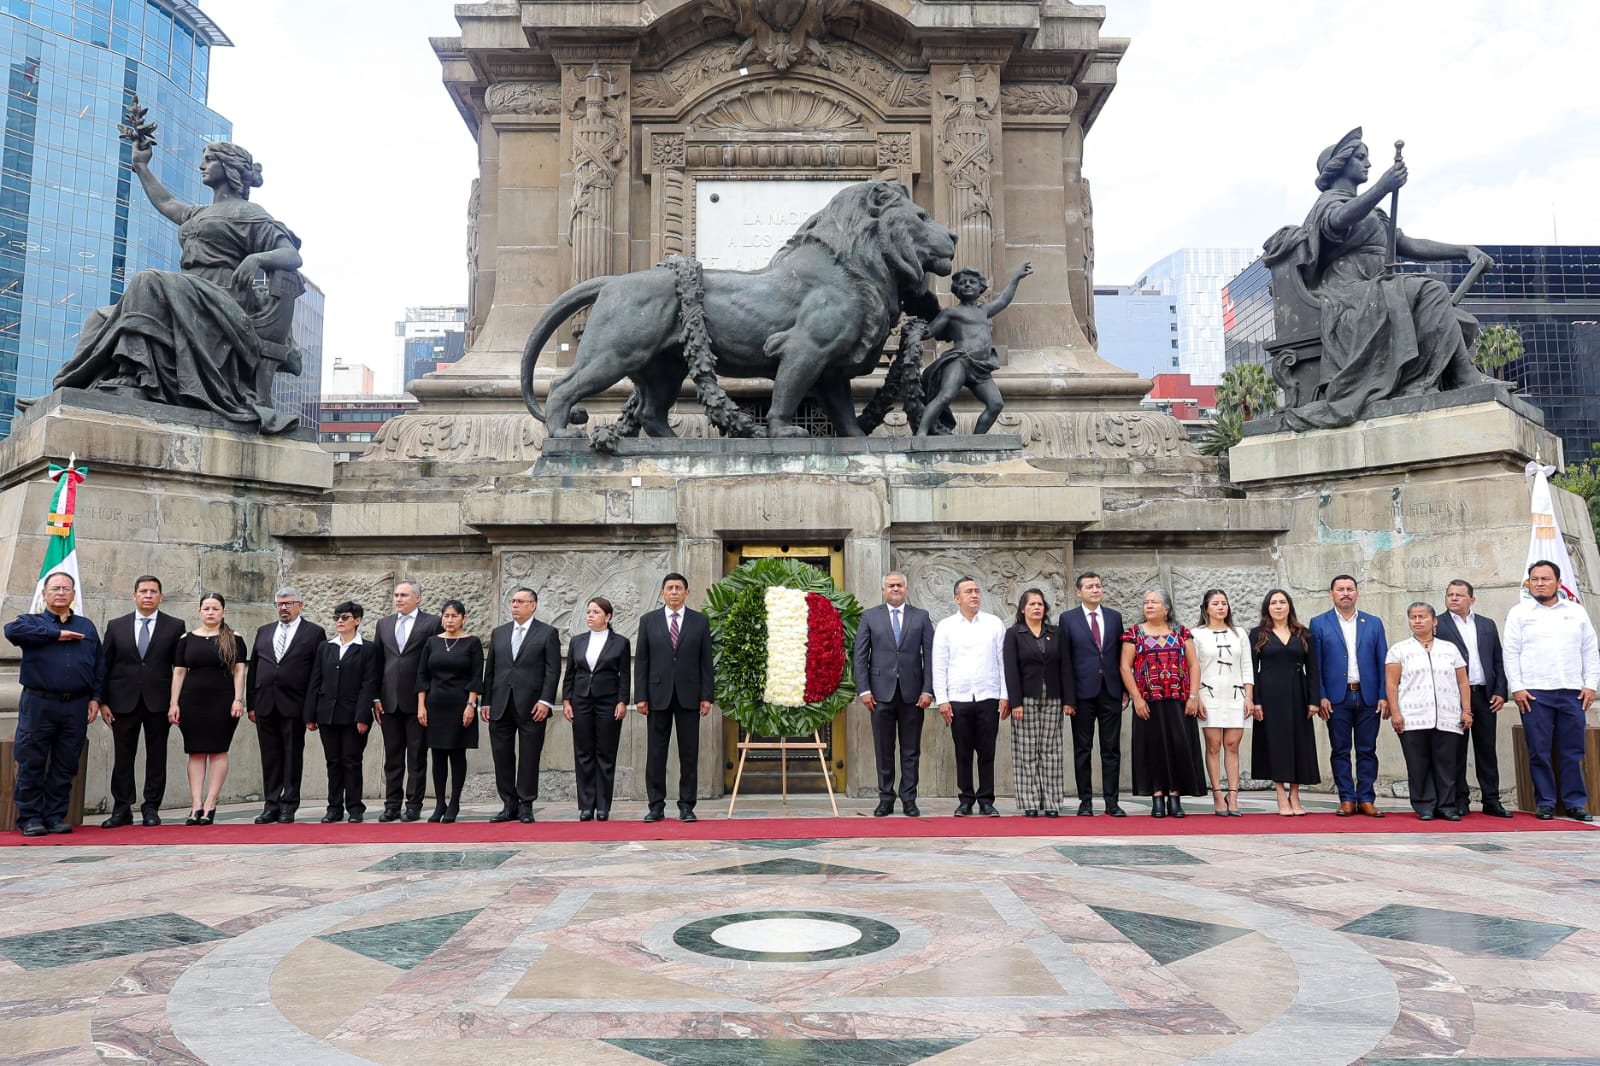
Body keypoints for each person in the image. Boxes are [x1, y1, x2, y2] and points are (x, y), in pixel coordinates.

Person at [52, 140, 306, 433]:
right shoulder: (197, 213)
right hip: (186, 292)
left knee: (147, 281)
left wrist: (257, 257)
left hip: (223, 297)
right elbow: (166, 203)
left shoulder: (250, 214)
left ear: (230, 168)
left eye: (210, 159)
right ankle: (73, 386)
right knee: (100, 316)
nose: (202, 165)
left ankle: (134, 376)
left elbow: (291, 255)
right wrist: (142, 166)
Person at [1267, 127, 1493, 430]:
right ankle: (1463, 378)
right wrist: (1383, 187)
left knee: (1451, 313)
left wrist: (1463, 250)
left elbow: (1407, 244)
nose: (1368, 164)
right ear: (1340, 165)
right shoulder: (1329, 203)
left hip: (1376, 285)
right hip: (1347, 289)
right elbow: (1338, 220)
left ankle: (1442, 377)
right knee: (1430, 290)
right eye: (1360, 158)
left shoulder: (1373, 212)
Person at [5, 573, 101, 837]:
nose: (60, 592)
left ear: (73, 594)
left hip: (76, 705)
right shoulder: (30, 623)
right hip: (39, 703)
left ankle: (55, 815)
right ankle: (30, 817)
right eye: (55, 588)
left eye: (66, 588)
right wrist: (55, 633)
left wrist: (96, 697)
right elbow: (10, 631)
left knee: (66, 763)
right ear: (44, 593)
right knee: (31, 760)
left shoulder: (87, 626)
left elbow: (98, 665)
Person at [1504, 560, 1599, 822]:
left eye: (1545, 579)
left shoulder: (1576, 612)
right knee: (1539, 750)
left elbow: (1590, 649)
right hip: (1534, 693)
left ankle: (1574, 802)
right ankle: (1545, 801)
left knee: (1573, 750)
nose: (1539, 583)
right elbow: (1510, 652)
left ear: (1558, 583)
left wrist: (1591, 684)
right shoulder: (1519, 613)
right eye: (1534, 579)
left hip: (1572, 692)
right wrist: (1518, 688)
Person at [97, 575, 183, 828]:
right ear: (134, 595)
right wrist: (101, 702)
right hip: (122, 702)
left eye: (153, 591)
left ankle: (151, 808)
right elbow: (104, 665)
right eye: (143, 591)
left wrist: (176, 702)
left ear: (161, 596)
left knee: (157, 756)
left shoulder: (175, 626)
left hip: (159, 702)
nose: (148, 595)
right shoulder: (116, 626)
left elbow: (179, 667)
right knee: (123, 757)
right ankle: (121, 808)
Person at [852, 571, 934, 817]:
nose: (895, 589)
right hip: (879, 695)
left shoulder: (921, 617)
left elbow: (930, 656)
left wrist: (928, 690)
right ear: (883, 590)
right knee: (884, 748)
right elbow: (860, 656)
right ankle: (885, 798)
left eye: (899, 585)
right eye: (890, 586)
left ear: (906, 590)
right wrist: (864, 690)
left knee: (911, 750)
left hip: (913, 695)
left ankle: (909, 799)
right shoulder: (870, 616)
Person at [916, 261, 1032, 435]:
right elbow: (930, 331)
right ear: (956, 289)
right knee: (946, 395)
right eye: (962, 283)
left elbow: (1003, 300)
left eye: (972, 282)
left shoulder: (984, 310)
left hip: (982, 367)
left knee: (995, 404)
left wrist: (1016, 277)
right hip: (960, 361)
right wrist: (915, 331)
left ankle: (977, 439)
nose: (967, 285)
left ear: (981, 288)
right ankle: (921, 434)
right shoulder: (951, 312)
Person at [635, 573, 714, 823]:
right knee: (656, 753)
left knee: (689, 753)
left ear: (687, 593)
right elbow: (642, 661)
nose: (674, 592)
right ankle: (656, 805)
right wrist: (641, 696)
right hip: (657, 696)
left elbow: (705, 662)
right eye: (669, 588)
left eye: (679, 588)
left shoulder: (700, 622)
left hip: (689, 696)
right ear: (662, 593)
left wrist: (706, 696)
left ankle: (686, 806)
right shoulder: (648, 621)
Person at [1120, 588, 1206, 818]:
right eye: (1146, 602)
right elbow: (1124, 667)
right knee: (1152, 748)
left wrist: (1194, 697)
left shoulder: (1181, 633)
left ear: (1166, 609)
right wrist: (1136, 698)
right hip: (1148, 702)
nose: (1149, 606)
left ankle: (1175, 797)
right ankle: (1157, 796)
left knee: (1179, 746)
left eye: (1154, 602)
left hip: (1178, 700)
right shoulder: (1133, 634)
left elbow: (1194, 665)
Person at [1310, 574, 1389, 817]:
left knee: (1367, 749)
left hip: (1367, 697)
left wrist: (1383, 695)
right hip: (1337, 697)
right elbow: (1316, 665)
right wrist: (1321, 695)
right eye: (1340, 589)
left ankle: (1366, 798)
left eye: (1350, 589)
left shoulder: (1373, 623)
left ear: (1357, 593)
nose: (1345, 593)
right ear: (1331, 594)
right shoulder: (1319, 623)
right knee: (1340, 750)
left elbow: (1383, 661)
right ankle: (1346, 798)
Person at [1384, 602, 1472, 821]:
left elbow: (1463, 682)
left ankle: (1447, 805)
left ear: (1434, 621)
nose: (1417, 621)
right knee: (1418, 763)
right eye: (1413, 617)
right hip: (1413, 717)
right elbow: (1392, 684)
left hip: (1447, 715)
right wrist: (1396, 712)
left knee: (1447, 763)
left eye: (1422, 617)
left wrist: (1466, 710)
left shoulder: (1449, 648)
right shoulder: (1399, 649)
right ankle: (1424, 805)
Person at [167, 593, 249, 826]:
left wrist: (238, 699)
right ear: (199, 611)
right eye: (206, 608)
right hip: (191, 701)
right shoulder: (186, 639)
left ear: (224, 611)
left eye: (215, 608)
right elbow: (179, 672)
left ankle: (211, 804)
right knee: (196, 752)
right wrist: (174, 703)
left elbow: (240, 670)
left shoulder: (234, 638)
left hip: (223, 701)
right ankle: (195, 805)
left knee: (218, 751)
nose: (210, 612)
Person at [246, 586, 325, 824]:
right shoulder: (264, 631)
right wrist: (252, 704)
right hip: (265, 703)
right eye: (279, 604)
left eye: (289, 603)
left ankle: (289, 805)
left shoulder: (314, 632)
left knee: (291, 755)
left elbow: (316, 675)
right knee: (270, 756)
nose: (283, 608)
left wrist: (311, 709)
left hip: (295, 704)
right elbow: (255, 669)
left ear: (300, 605)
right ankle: (271, 805)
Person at [481, 587, 561, 824]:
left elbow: (552, 670)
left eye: (520, 601)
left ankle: (526, 804)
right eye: (513, 601)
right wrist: (486, 701)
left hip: (532, 705)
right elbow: (491, 670)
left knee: (529, 756)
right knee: (502, 755)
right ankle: (509, 804)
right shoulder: (499, 633)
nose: (514, 605)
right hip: (500, 703)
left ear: (532, 605)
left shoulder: (547, 633)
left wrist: (546, 700)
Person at [931, 576, 1007, 817]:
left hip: (989, 696)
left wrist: (1004, 695)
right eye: (968, 592)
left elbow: (1003, 662)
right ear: (957, 598)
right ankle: (965, 799)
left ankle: (986, 800)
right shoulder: (946, 626)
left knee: (987, 752)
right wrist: (942, 699)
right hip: (958, 699)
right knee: (962, 752)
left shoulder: (994, 624)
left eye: (976, 591)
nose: (974, 595)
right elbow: (939, 665)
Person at [1436, 579, 1512, 818]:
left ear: (1472, 599)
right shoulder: (1439, 624)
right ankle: (1460, 800)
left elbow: (1499, 661)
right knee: (1456, 751)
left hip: (1485, 696)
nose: (1454, 598)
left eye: (1459, 594)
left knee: (1486, 750)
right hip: (1455, 698)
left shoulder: (1487, 625)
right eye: (1450, 595)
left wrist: (1500, 691)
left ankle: (1491, 799)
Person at [1249, 589, 1323, 816]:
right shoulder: (1257, 633)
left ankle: (1295, 794)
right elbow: (1251, 670)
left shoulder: (1304, 634)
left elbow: (1313, 670)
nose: (1278, 606)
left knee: (1299, 743)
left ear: (1289, 606)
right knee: (1275, 743)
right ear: (1267, 607)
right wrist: (1255, 701)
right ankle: (1281, 794)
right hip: (1269, 695)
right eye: (1274, 603)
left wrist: (1314, 700)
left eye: (1282, 602)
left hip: (1297, 693)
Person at [304, 601, 380, 823]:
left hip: (353, 714)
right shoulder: (325, 647)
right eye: (337, 617)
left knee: (352, 760)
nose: (339, 621)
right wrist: (309, 715)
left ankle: (355, 807)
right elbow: (315, 680)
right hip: (327, 712)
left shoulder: (367, 649)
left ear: (357, 620)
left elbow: (369, 684)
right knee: (333, 761)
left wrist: (362, 716)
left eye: (344, 617)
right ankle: (334, 807)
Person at [1060, 572, 1126, 817]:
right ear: (1079, 592)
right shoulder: (1068, 619)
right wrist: (1068, 698)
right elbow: (1065, 661)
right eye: (1089, 587)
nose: (1095, 590)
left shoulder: (1114, 617)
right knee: (1083, 749)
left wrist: (1125, 690)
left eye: (1098, 585)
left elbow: (1121, 656)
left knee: (1111, 749)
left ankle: (1112, 801)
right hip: (1082, 694)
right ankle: (1085, 801)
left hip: (1110, 691)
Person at [374, 581, 441, 822]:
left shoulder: (432, 622)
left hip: (418, 700)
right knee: (392, 757)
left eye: (404, 595)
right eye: (396, 595)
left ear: (418, 598)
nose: (398, 599)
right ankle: (392, 804)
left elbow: (435, 660)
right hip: (389, 701)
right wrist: (376, 697)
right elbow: (377, 663)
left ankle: (413, 804)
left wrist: (429, 698)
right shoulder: (384, 624)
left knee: (416, 756)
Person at [561, 597, 630, 822]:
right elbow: (569, 672)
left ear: (607, 616)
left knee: (606, 753)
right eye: (588, 612)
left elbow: (624, 676)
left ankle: (603, 805)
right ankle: (586, 805)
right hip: (581, 701)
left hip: (608, 702)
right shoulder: (578, 641)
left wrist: (622, 701)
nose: (590, 615)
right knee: (583, 752)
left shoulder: (619, 642)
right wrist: (566, 701)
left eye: (596, 612)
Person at [1002, 589, 1070, 817]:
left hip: (1053, 696)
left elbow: (1065, 667)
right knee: (1027, 751)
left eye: (1040, 604)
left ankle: (1052, 802)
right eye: (1031, 604)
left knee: (1051, 750)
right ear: (1023, 609)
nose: (1037, 608)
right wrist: (1015, 702)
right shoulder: (1014, 634)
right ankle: (1030, 802)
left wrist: (1069, 700)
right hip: (1026, 697)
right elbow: (1010, 669)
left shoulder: (1056, 633)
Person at [416, 599, 482, 824]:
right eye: (446, 616)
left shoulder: (472, 643)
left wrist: (470, 705)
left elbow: (475, 676)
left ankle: (454, 802)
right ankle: (439, 803)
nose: (450, 620)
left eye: (454, 616)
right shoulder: (432, 642)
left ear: (464, 618)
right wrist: (421, 706)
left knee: (456, 754)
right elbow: (422, 675)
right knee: (437, 755)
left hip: (460, 705)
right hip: (435, 705)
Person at [1192, 589, 1253, 817]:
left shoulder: (1239, 633)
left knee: (1233, 745)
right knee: (1214, 744)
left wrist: (1249, 697)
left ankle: (1234, 794)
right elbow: (1193, 667)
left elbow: (1247, 666)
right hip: (1209, 695)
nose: (1221, 607)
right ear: (1206, 608)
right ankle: (1217, 793)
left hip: (1236, 695)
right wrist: (1195, 696)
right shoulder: (1196, 634)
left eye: (1224, 603)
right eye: (1216, 603)